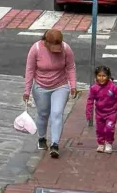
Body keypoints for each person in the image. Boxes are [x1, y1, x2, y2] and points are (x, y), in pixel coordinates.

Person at [23, 28, 77, 158]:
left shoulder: (66, 49)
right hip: (41, 87)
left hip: (60, 86)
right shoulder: (36, 49)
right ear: (46, 42)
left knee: (57, 113)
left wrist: (73, 85)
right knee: (43, 113)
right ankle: (42, 137)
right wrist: (27, 90)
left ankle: (54, 144)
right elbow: (30, 70)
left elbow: (70, 67)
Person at [85, 65, 117, 154]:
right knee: (100, 129)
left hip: (111, 113)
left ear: (108, 76)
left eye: (104, 76)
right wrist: (88, 112)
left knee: (109, 128)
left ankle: (108, 143)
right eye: (99, 76)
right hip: (99, 113)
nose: (101, 78)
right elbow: (90, 100)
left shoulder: (113, 87)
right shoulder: (94, 88)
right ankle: (101, 143)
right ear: (96, 76)